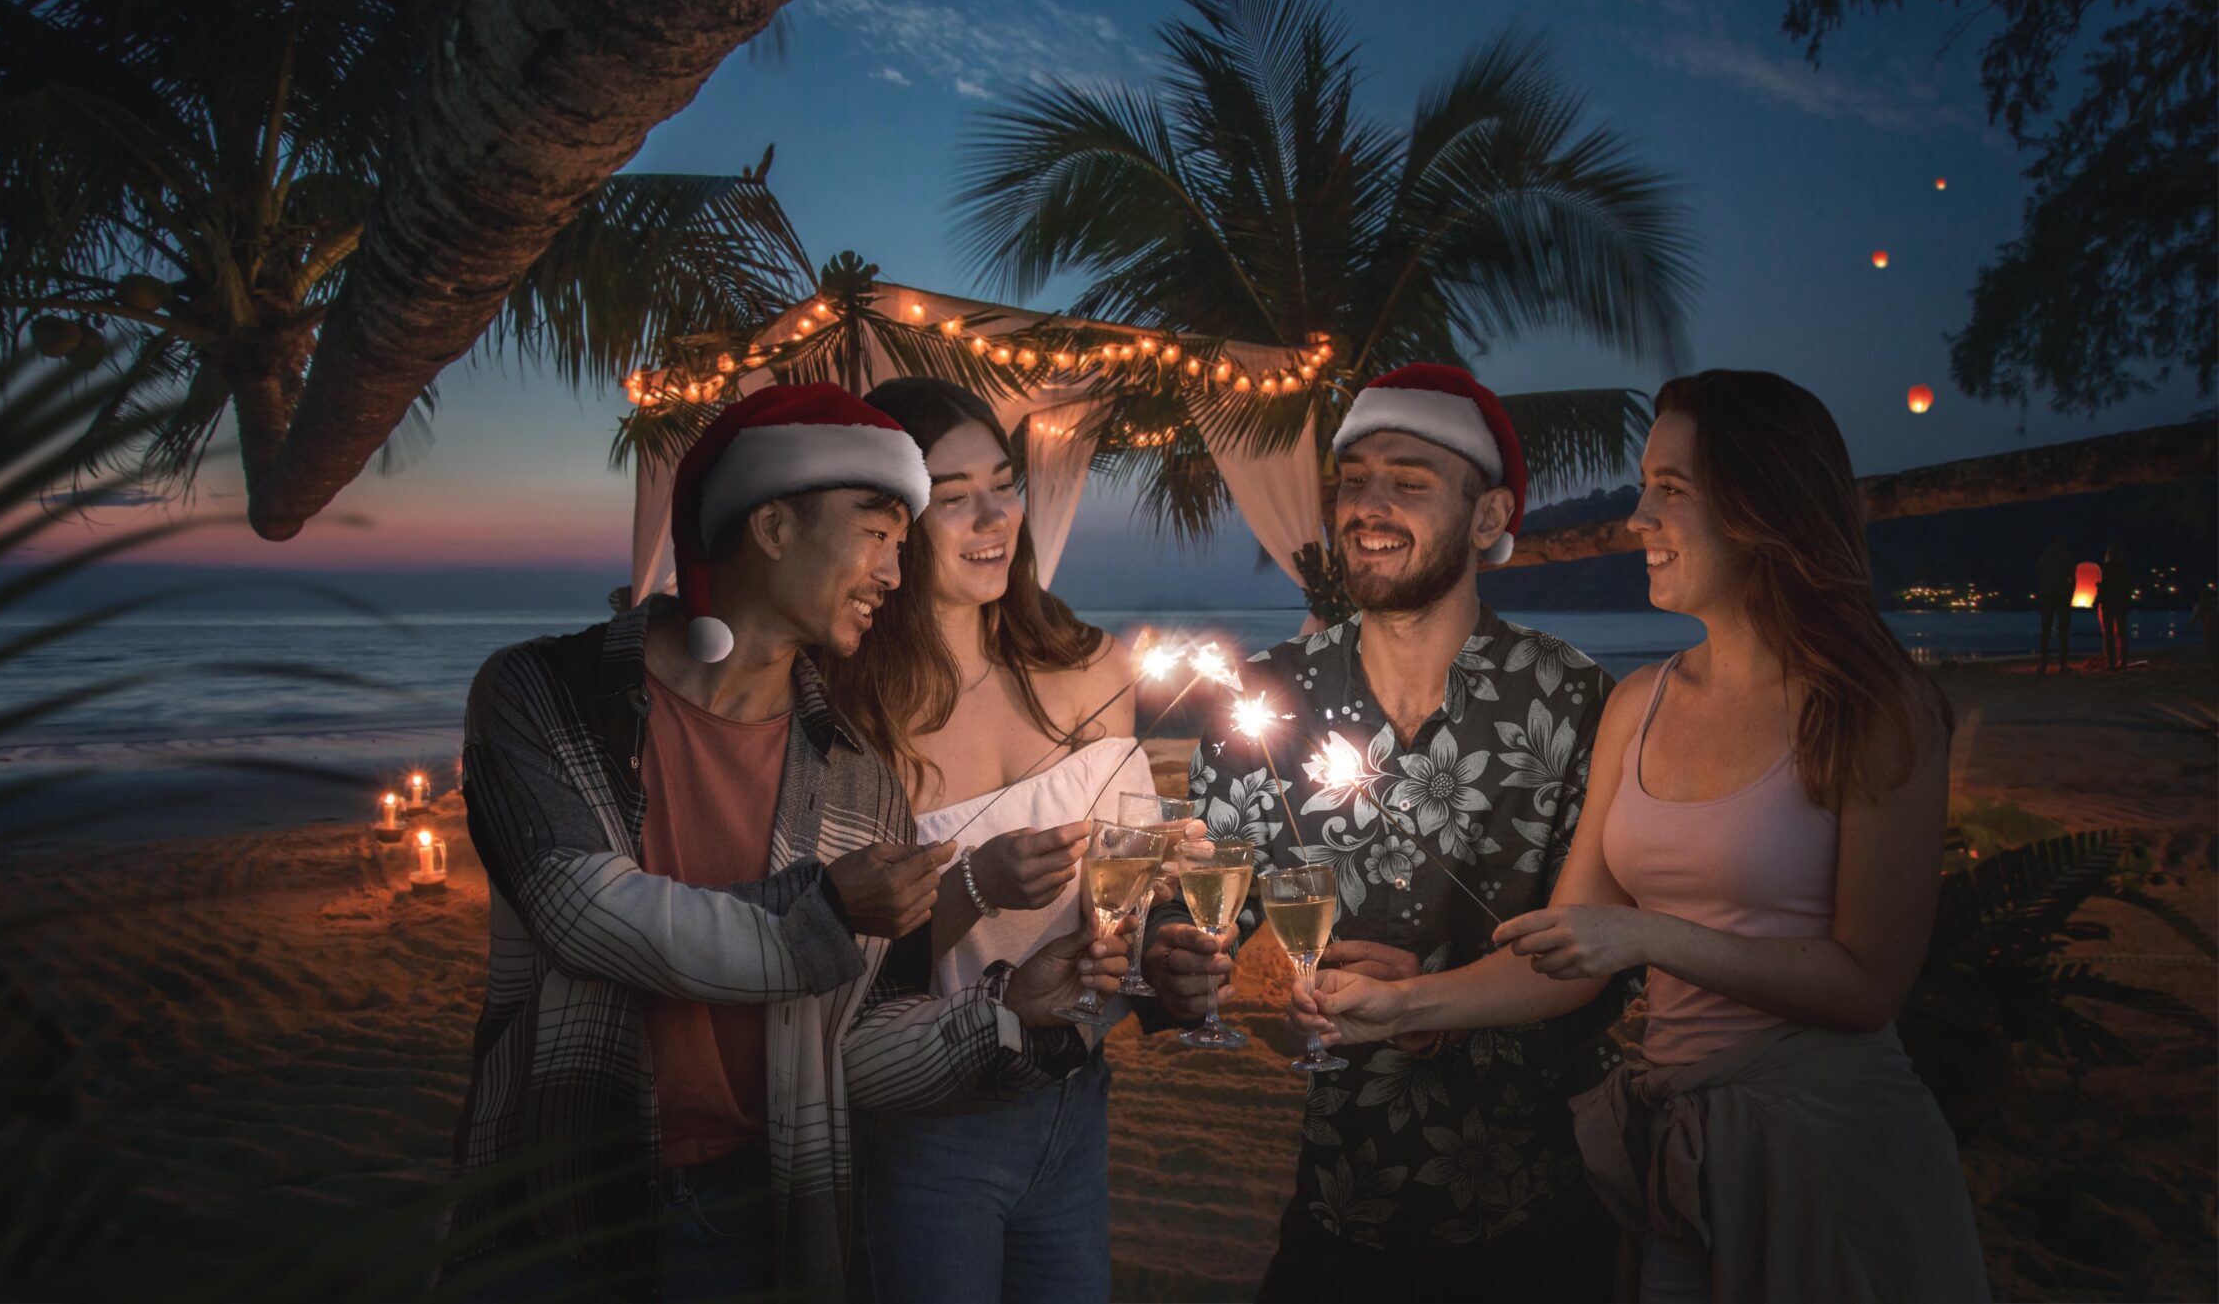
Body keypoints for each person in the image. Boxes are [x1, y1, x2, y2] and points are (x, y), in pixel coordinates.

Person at [1295, 369, 1989, 1304]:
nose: (1636, 517)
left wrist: (1654, 936)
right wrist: (1408, 1004)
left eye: (1672, 489)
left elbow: (1870, 985)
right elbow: (1575, 951)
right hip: (1673, 1150)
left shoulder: (1873, 709)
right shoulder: (1640, 702)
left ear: (1762, 507)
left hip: (1823, 1146)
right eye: (1644, 485)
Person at [446, 383, 1130, 1303]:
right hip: (559, 1191)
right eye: (877, 533)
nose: (895, 572)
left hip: (759, 1209)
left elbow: (852, 1041)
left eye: (902, 540)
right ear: (771, 527)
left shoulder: (853, 773)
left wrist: (1019, 1019)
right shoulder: (544, 694)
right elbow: (585, 914)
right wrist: (828, 914)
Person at [1143, 363, 1637, 1304]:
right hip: (1338, 1207)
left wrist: (1421, 1006)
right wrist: (1231, 986)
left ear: (1489, 519)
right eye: (1354, 477)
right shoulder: (1259, 698)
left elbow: (1596, 964)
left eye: (1409, 480)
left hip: (1539, 1209)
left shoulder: (1574, 700)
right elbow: (1241, 976)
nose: (1368, 503)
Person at [822, 377, 1151, 1304]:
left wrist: (1167, 932)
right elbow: (845, 970)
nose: (992, 515)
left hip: (1076, 1096)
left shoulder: (1093, 668)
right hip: (928, 1122)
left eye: (1002, 484)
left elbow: (1131, 905)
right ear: (888, 522)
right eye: (951, 494)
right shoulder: (855, 713)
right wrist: (973, 884)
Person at [2035, 536, 2075, 672]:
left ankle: (2043, 663)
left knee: (2046, 631)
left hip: (2047, 595)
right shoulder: (2066, 556)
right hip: (2062, 596)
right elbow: (2073, 577)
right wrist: (2071, 595)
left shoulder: (2045, 556)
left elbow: (2039, 574)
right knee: (2063, 631)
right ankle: (2062, 664)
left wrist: (2041, 590)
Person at [2098, 540, 2134, 670]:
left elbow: (2105, 586)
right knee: (2122, 633)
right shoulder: (2123, 568)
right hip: (2121, 603)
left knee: (2109, 634)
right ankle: (2123, 661)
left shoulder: (2107, 568)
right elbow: (2127, 586)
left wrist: (2099, 589)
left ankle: (2111, 662)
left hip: (2109, 603)